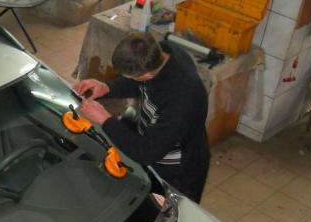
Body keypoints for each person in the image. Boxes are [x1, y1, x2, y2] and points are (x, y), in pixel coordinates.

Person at [75, 32, 210, 203]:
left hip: (178, 174)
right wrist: (107, 88)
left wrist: (105, 120)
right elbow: (136, 83)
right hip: (155, 147)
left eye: (130, 76)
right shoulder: (161, 54)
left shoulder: (183, 98)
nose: (129, 80)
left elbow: (147, 152)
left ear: (146, 75)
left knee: (168, 216)